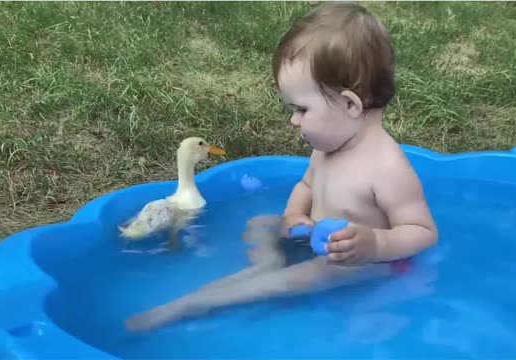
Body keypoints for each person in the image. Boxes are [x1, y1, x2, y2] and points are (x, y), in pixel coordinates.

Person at [125, 2, 438, 332]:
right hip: (315, 238)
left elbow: (422, 233)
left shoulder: (387, 167)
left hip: (358, 262)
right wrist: (293, 216)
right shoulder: (329, 148)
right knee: (260, 224)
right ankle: (268, 263)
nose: (293, 120)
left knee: (288, 282)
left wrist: (372, 245)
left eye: (302, 109)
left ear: (350, 104)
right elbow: (305, 188)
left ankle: (196, 304)